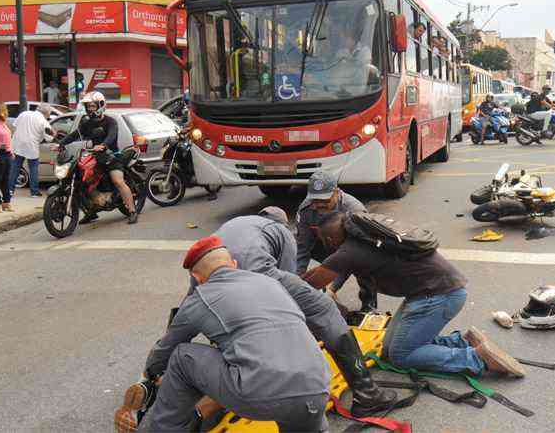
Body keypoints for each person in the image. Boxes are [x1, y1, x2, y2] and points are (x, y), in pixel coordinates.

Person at [163, 208, 395, 419]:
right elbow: (283, 296)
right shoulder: (280, 231)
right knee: (324, 310)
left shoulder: (227, 233)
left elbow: (191, 303)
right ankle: (367, 396)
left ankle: (175, 379)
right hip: (262, 275)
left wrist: (163, 356)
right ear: (283, 224)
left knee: (211, 314)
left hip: (213, 271)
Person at [120, 236, 331, 432]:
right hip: (318, 388)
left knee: (182, 356)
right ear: (234, 265)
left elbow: (166, 350)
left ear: (197, 277)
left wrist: (151, 375)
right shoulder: (270, 283)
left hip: (261, 395)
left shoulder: (199, 298)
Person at [302, 213, 526, 378]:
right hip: (434, 292)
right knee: (389, 349)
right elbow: (320, 275)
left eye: (324, 241)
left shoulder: (350, 251)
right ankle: (460, 341)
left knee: (401, 356)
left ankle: (476, 358)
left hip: (438, 296)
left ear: (331, 239)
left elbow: (312, 283)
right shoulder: (364, 238)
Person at [296, 171, 377, 312]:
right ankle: (323, 297)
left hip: (354, 249)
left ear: (336, 192)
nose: (319, 205)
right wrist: (295, 281)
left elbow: (353, 253)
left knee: (365, 264)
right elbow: (302, 248)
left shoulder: (354, 211)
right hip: (326, 245)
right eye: (315, 201)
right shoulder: (306, 210)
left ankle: (369, 304)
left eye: (325, 200)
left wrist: (333, 286)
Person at [58, 91, 138, 224]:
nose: (90, 109)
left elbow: (111, 136)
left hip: (111, 156)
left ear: (101, 105)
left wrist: (103, 145)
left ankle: (132, 211)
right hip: (95, 156)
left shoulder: (110, 121)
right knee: (83, 181)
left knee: (118, 180)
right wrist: (60, 144)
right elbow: (74, 135)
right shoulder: (86, 123)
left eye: (93, 106)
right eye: (88, 106)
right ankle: (91, 211)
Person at [9, 104, 54, 198]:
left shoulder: (24, 114)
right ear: (46, 113)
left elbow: (14, 126)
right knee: (33, 169)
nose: (48, 116)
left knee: (15, 168)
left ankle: (9, 190)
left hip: (18, 144)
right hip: (31, 146)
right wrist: (54, 133)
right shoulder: (43, 121)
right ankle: (34, 192)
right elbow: (49, 138)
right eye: (49, 114)